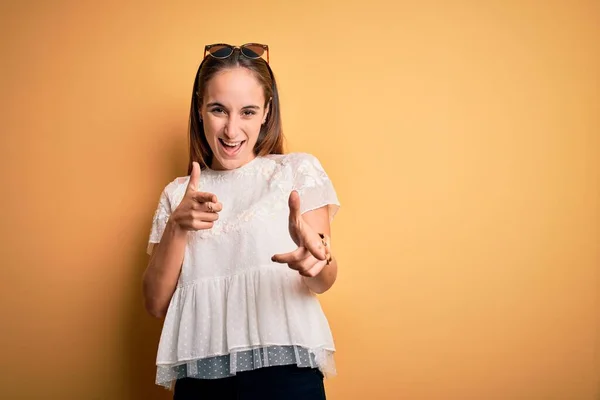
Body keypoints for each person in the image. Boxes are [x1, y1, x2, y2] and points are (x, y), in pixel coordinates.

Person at [142, 43, 341, 400]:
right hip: (201, 376)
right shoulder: (178, 195)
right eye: (218, 110)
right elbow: (156, 304)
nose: (232, 130)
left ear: (266, 112)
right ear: (200, 110)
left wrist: (315, 259)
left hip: (286, 372)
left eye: (248, 112)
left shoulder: (295, 172)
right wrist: (177, 226)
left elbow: (323, 281)